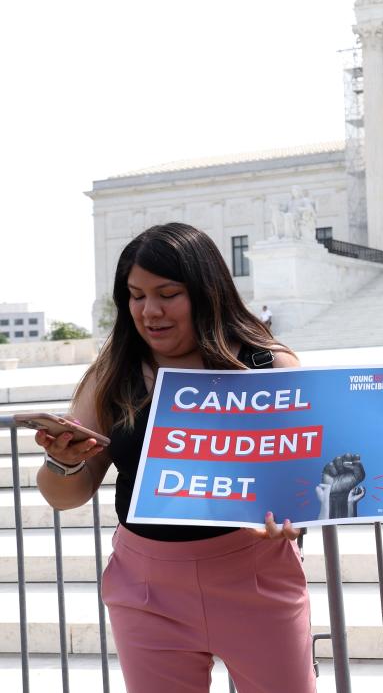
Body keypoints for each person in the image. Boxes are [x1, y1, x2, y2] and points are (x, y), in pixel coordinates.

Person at [33, 223, 314, 693]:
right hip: (146, 591)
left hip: (256, 579)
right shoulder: (111, 374)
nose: (150, 311)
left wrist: (297, 515)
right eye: (136, 296)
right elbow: (66, 496)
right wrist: (63, 462)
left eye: (168, 293)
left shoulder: (269, 364)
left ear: (207, 292)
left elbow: (303, 480)